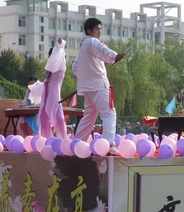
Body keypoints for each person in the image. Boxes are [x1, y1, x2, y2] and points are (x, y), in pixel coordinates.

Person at [72, 18, 125, 152]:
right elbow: (103, 50)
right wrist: (115, 56)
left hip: (88, 88)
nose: (100, 31)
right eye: (97, 29)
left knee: (89, 117)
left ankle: (77, 143)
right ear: (89, 31)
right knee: (109, 113)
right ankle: (108, 144)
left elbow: (75, 68)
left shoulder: (83, 48)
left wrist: (86, 76)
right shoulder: (92, 42)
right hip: (98, 85)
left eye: (100, 29)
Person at [38, 38, 69, 139]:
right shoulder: (49, 71)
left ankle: (62, 138)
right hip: (46, 96)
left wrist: (59, 45)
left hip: (55, 96)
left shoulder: (61, 67)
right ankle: (46, 138)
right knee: (43, 118)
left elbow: (58, 56)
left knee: (58, 117)